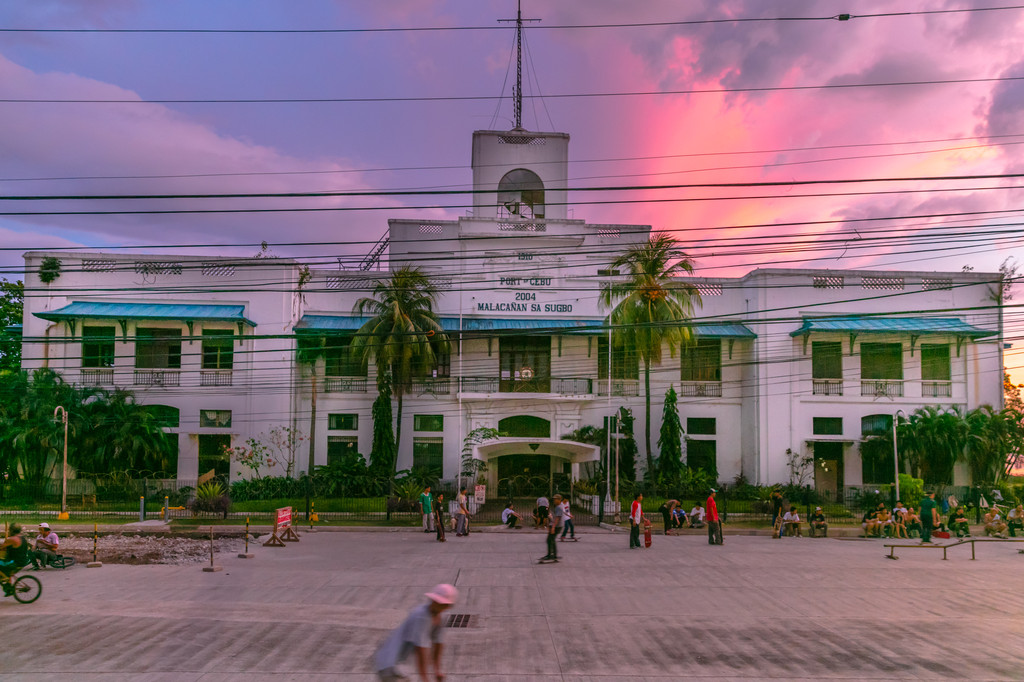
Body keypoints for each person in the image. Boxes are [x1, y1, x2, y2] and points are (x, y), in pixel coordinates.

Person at [374, 583, 457, 681]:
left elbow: (438, 644)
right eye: (436, 601)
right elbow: (421, 649)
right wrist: (425, 678)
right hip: (390, 664)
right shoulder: (421, 616)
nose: (438, 605)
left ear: (448, 606)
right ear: (432, 600)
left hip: (402, 666)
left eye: (443, 604)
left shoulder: (442, 616)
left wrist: (437, 670)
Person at [0, 523, 30, 595]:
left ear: (12, 530)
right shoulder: (22, 538)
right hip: (22, 561)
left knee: (2, 565)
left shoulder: (12, 539)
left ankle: (7, 583)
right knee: (6, 570)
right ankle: (8, 587)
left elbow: (1, 547)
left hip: (15, 562)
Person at [543, 493, 565, 561]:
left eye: (555, 499)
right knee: (552, 540)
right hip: (558, 526)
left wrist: (553, 527)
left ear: (559, 500)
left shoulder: (559, 507)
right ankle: (554, 555)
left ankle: (550, 555)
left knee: (549, 540)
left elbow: (558, 518)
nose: (554, 501)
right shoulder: (559, 505)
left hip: (557, 526)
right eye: (553, 499)